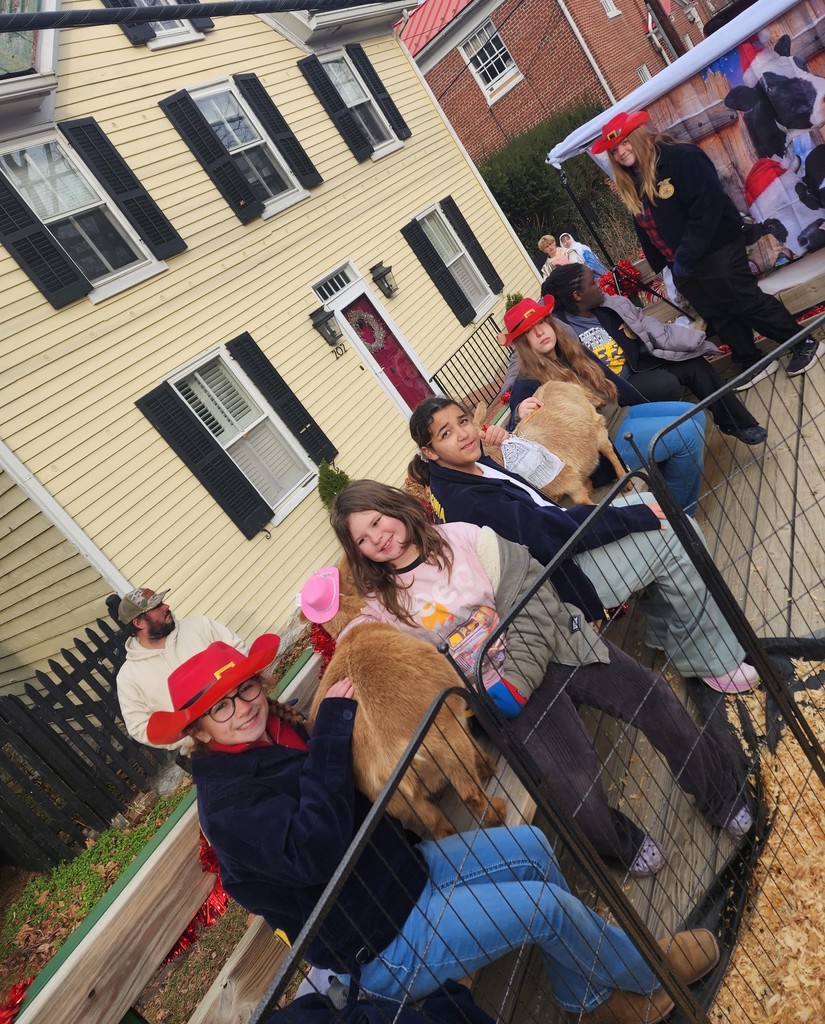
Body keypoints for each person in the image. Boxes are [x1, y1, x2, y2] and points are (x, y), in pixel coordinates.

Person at [147, 634, 721, 1023]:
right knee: (545, 907)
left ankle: (590, 996)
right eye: (220, 707)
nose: (243, 707)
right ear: (196, 730)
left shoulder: (272, 736)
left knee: (532, 844)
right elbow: (316, 850)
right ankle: (648, 977)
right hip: (378, 942)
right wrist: (332, 734)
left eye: (246, 688)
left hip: (402, 874)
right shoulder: (227, 805)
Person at [329, 480, 754, 876]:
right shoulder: (381, 605)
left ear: (394, 508)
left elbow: (531, 586)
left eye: (376, 521)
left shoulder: (462, 538)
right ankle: (618, 845)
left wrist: (517, 676)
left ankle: (720, 794)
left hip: (551, 646)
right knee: (570, 780)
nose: (377, 539)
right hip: (500, 693)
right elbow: (369, 647)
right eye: (362, 540)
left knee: (655, 700)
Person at [407, 397, 758, 694]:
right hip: (558, 580)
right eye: (446, 433)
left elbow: (539, 497)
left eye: (463, 421)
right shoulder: (464, 499)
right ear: (430, 451)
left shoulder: (464, 467)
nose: (464, 434)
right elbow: (545, 535)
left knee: (655, 503)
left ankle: (665, 631)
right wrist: (634, 519)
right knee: (676, 535)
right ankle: (710, 658)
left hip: (561, 543)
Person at [593, 110, 824, 387]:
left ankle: (804, 343)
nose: (620, 152)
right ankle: (751, 359)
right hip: (682, 264)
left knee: (745, 301)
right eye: (614, 150)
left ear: (639, 136)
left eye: (624, 143)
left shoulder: (681, 157)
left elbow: (708, 206)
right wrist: (666, 267)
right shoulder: (632, 180)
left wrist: (687, 255)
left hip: (716, 248)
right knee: (718, 314)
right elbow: (645, 225)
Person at [504, 295, 706, 516]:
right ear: (522, 344)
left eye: (541, 322)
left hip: (623, 414)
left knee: (694, 415)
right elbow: (517, 443)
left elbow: (616, 384)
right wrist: (518, 414)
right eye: (528, 332)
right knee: (688, 435)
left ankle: (665, 496)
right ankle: (680, 517)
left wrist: (652, 412)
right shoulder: (527, 382)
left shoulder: (573, 351)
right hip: (604, 442)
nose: (540, 332)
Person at [543, 263, 768, 446]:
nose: (600, 284)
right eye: (592, 282)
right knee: (666, 384)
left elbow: (651, 327)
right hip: (615, 388)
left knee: (694, 365)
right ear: (577, 295)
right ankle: (673, 438)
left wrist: (693, 340)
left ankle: (737, 423)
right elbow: (523, 359)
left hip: (642, 364)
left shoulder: (614, 305)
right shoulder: (558, 330)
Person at [115, 586, 247, 748]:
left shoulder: (200, 626)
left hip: (248, 717)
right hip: (207, 750)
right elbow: (140, 727)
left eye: (161, 602)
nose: (166, 606)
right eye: (157, 607)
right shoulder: (129, 677)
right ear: (139, 622)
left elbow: (240, 653)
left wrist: (245, 700)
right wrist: (194, 736)